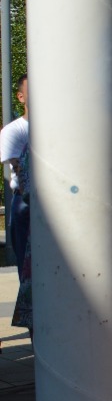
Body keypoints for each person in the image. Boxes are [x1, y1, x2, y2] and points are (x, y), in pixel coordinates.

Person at [1, 74, 29, 267]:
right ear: (21, 97)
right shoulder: (13, 130)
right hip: (25, 201)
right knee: (26, 265)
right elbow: (18, 169)